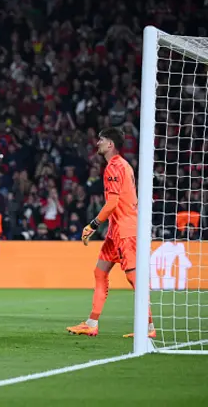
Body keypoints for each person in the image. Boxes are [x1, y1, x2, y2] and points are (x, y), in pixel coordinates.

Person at [67, 127, 156, 338]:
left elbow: (112, 203)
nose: (97, 143)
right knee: (100, 272)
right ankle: (92, 323)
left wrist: (92, 225)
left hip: (126, 230)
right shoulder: (124, 165)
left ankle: (149, 328)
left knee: (134, 279)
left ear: (110, 144)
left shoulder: (114, 167)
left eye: (101, 139)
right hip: (117, 230)